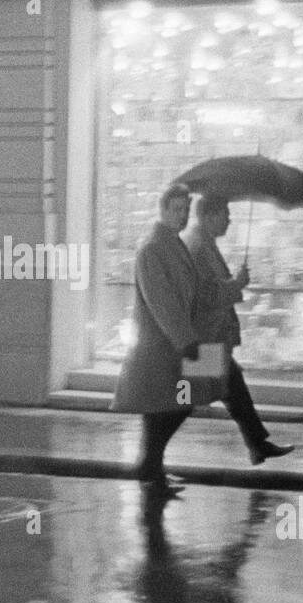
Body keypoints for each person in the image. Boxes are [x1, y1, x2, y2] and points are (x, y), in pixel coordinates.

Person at [111, 183, 214, 497]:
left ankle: (150, 468)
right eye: (177, 209)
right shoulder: (153, 246)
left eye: (186, 210)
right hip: (160, 347)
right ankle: (150, 470)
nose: (182, 216)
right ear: (163, 209)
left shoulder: (172, 243)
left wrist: (232, 286)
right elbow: (162, 302)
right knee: (173, 406)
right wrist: (186, 341)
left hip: (174, 344)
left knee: (171, 406)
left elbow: (191, 291)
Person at [181, 194, 295, 465]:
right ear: (209, 216)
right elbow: (207, 295)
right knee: (186, 401)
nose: (229, 221)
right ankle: (151, 458)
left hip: (209, 339)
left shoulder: (203, 244)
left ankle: (258, 444)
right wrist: (237, 283)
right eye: (225, 215)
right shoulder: (198, 247)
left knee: (232, 387)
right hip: (204, 339)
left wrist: (233, 282)